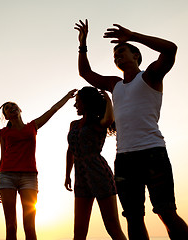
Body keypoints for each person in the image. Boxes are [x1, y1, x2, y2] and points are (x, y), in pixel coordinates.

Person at [74, 19, 188, 239]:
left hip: (153, 153)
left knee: (166, 212)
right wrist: (83, 44)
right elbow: (85, 73)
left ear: (136, 56)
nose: (117, 55)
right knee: (133, 217)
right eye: (114, 54)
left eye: (122, 51)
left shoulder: (150, 76)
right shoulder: (115, 84)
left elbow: (171, 49)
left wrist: (133, 36)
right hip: (124, 159)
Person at [0, 89, 77, 240]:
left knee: (30, 227)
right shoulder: (3, 132)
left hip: (29, 177)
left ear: (19, 109)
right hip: (7, 176)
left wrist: (67, 97)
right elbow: (2, 157)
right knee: (11, 226)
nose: (11, 107)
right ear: (6, 116)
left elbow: (53, 109)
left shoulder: (32, 126)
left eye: (13, 105)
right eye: (7, 108)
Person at [64, 87, 126, 240]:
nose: (75, 105)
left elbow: (109, 120)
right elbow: (70, 151)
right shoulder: (73, 124)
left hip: (99, 173)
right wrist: (67, 175)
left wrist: (108, 100)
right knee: (79, 231)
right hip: (80, 177)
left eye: (77, 101)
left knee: (112, 227)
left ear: (86, 102)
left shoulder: (99, 121)